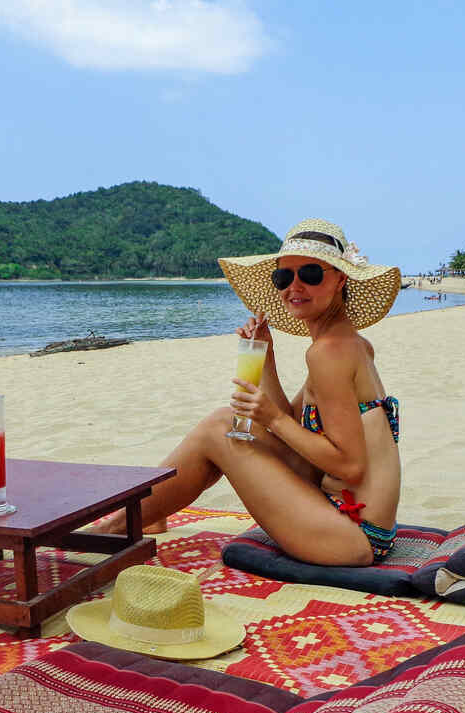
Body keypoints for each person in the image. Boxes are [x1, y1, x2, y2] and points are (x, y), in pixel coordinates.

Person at [96, 220, 404, 567]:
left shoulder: (328, 353)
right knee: (228, 423)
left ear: (340, 278)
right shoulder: (347, 344)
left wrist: (269, 417)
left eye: (310, 274)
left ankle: (118, 525)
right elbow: (292, 425)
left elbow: (349, 466)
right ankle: (148, 513)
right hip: (358, 525)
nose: (294, 287)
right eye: (283, 278)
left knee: (219, 429)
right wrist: (265, 357)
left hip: (351, 536)